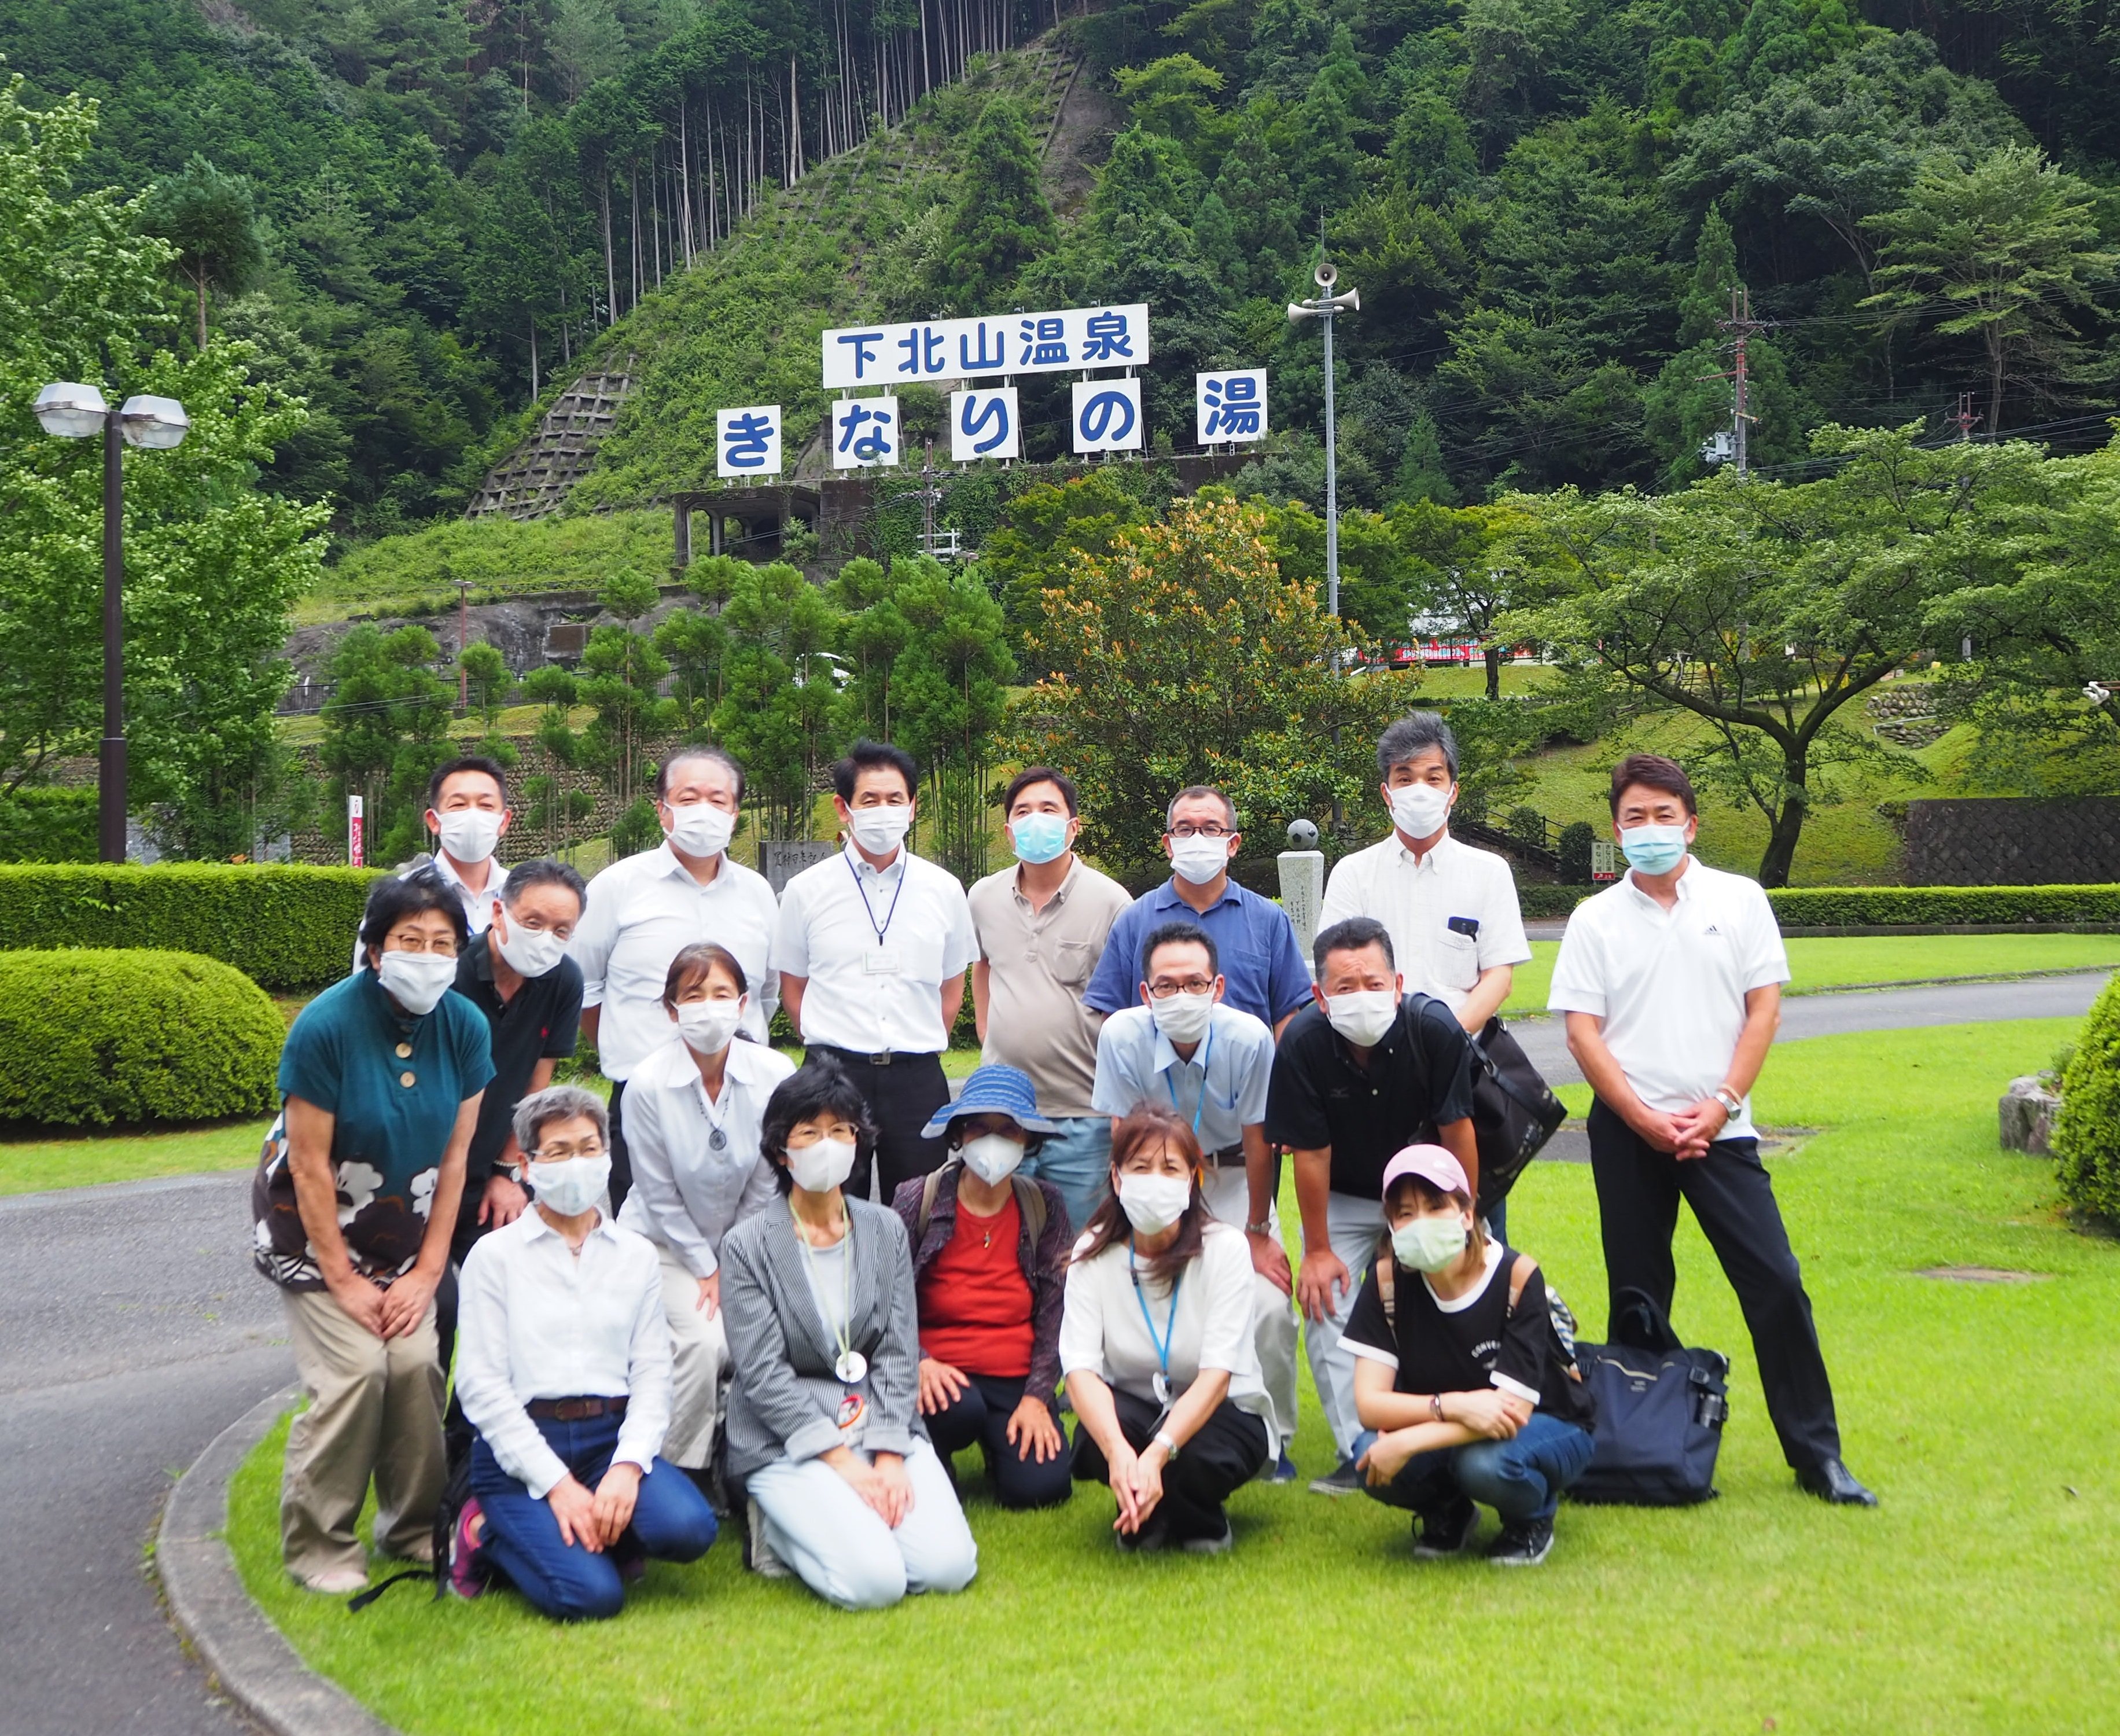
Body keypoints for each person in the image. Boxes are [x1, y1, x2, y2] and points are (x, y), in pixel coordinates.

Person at [1549, 753, 1875, 1506]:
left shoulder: (1740, 898)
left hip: (1720, 1128)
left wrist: (1722, 1103)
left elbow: (1764, 1009)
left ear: (1691, 824)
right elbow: (1583, 1034)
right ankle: (1637, 1447)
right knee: (1638, 1293)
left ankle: (1817, 1455)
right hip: (1629, 1132)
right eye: (1636, 817)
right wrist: (1642, 1117)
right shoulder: (1593, 919)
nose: (1651, 829)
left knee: (1777, 1283)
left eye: (1665, 815)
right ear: (1617, 830)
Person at [252, 869, 493, 1592]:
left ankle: (414, 1530)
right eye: (408, 941)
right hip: (312, 1231)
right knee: (357, 1371)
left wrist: (426, 1273)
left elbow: (455, 1161)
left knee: (415, 1365)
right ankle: (319, 1545)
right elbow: (310, 1165)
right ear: (377, 950)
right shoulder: (326, 1025)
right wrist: (344, 1279)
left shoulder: (465, 1026)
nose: (426, 955)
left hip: (406, 1237)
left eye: (442, 943)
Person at [450, 1086, 720, 1619]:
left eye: (589, 1147)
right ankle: (483, 1531)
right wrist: (556, 1486)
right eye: (558, 1152)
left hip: (606, 1439)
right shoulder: (495, 1256)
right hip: (522, 1447)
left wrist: (626, 1467)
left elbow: (651, 1374)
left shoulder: (635, 1255)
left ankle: (606, 1530)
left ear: (608, 1155)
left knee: (688, 1529)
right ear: (527, 1165)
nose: (578, 1162)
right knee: (593, 1598)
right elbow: (480, 1387)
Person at [719, 1060, 979, 1609]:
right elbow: (762, 1375)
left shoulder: (882, 1227)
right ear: (780, 1149)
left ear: (859, 1141)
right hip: (787, 1437)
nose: (827, 1144)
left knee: (948, 1568)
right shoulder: (747, 1246)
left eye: (841, 1131)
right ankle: (776, 1535)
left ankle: (854, 1520)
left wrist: (885, 1455)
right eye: (809, 1133)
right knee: (874, 1584)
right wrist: (843, 1464)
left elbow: (898, 1350)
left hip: (878, 1419)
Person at [1263, 915, 1478, 1496]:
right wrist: (1318, 1252)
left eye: (1373, 983)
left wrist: (1466, 1216)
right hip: (1340, 1190)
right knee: (1326, 1299)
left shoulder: (1433, 1030)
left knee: (1448, 1295)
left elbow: (1456, 1128)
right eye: (1344, 987)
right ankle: (1358, 1447)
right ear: (1319, 995)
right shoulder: (1303, 1043)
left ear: (1398, 983)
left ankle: (1458, 1426)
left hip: (1427, 1189)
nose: (1361, 996)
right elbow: (1309, 1154)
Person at [1090, 921, 1300, 1481]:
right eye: (1165, 985)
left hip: (1229, 1178)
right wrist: (1130, 1204)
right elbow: (1120, 1130)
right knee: (1160, 1295)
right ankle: (1161, 1414)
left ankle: (1272, 1436)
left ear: (1219, 987)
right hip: (1155, 1178)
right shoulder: (1121, 1036)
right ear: (1144, 992)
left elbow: (1260, 1141)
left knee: (1270, 1306)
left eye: (1194, 982)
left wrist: (1257, 1229)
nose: (1180, 995)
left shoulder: (1249, 1037)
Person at [1345, 1145, 1596, 1568]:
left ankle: (1531, 1518)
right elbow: (1370, 1405)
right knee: (1367, 1451)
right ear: (1391, 1224)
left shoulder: (1517, 1277)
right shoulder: (1387, 1280)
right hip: (1456, 1420)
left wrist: (1408, 1440)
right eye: (1405, 1213)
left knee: (1484, 1463)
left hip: (1548, 1422)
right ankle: (1449, 1510)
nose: (1420, 1222)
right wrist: (1454, 1405)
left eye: (1435, 1206)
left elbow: (1512, 1410)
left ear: (1467, 1213)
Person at [614, 943, 796, 1481]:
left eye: (721, 994)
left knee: (774, 1334)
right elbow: (656, 1191)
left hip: (749, 1241)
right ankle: (681, 1468)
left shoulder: (773, 1072)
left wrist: (732, 1262)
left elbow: (770, 1177)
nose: (709, 1007)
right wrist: (707, 1268)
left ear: (743, 1004)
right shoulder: (646, 1085)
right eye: (693, 996)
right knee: (702, 1342)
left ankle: (751, 1459)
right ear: (671, 1011)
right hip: (666, 1245)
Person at [571, 746, 779, 1212]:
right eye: (688, 798)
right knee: (646, 1237)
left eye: (717, 799)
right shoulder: (616, 887)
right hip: (647, 1100)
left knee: (749, 1231)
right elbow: (584, 988)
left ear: (735, 813)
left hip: (744, 1099)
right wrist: (631, 1051)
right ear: (662, 810)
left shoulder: (758, 894)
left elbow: (767, 993)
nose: (703, 810)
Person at [1062, 1106, 1276, 1553]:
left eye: (1170, 1167)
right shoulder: (1091, 1254)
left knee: (1197, 1457)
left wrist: (1156, 1452)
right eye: (1140, 1168)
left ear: (1193, 1180)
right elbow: (1080, 1370)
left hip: (1223, 1410)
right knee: (1094, 1440)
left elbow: (1218, 1374)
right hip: (1137, 1407)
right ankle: (1148, 1512)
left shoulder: (1225, 1249)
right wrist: (1120, 1453)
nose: (1155, 1179)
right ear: (1117, 1179)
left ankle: (1198, 1519)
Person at [774, 740, 977, 1201]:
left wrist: (916, 1039)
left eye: (895, 799)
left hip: (916, 1079)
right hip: (833, 1075)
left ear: (912, 808)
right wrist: (827, 1045)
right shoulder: (806, 892)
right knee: (831, 1205)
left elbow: (951, 987)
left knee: (920, 1210)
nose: (883, 810)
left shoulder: (944, 890)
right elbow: (794, 987)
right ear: (843, 808)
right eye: (870, 800)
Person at [890, 1064, 1074, 1510]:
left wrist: (1037, 1397)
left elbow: (1056, 1308)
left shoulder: (1043, 1204)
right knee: (958, 1411)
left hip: (1013, 1372)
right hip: (937, 1372)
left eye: (1008, 1130)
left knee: (1041, 1488)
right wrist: (917, 1360)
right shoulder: (919, 1198)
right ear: (958, 1137)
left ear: (1028, 1140)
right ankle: (935, 1457)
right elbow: (885, 1296)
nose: (992, 1140)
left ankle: (1001, 1448)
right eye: (979, 1128)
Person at [435, 858, 587, 1386]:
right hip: (422, 1174)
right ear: (498, 911)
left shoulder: (563, 981)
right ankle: (424, 1453)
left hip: (487, 1173)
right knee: (437, 1313)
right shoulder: (449, 973)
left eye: (562, 930)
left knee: (515, 1307)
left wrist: (507, 1168)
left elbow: (535, 1087)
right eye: (534, 922)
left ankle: (474, 1442)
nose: (546, 938)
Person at [967, 765, 1132, 1238]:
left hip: (1083, 1115)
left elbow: (1129, 1007)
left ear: (1073, 825)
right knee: (1003, 1249)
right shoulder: (982, 897)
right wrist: (986, 1032)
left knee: (1075, 1252)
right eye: (1023, 811)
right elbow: (983, 966)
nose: (1034, 819)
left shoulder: (1111, 902)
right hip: (1003, 1113)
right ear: (1007, 829)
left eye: (1048, 809)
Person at [1320, 713, 1532, 1035]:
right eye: (1405, 779)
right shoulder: (1352, 874)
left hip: (1461, 1055)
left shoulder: (1490, 873)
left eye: (1433, 779)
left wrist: (1449, 1045)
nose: (1420, 791)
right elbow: (1336, 970)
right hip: (1374, 1053)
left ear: (1453, 792)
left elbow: (1499, 977)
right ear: (1387, 793)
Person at [1082, 786, 1312, 1036]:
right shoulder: (1133, 921)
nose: (1197, 839)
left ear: (1232, 844)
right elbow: (1112, 1019)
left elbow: (1288, 1015)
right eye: (1185, 829)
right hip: (1152, 1074)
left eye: (1211, 829)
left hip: (1245, 1074)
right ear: (1169, 844)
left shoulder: (1268, 920)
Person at [346, 756, 516, 972]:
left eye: (486, 805)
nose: (473, 815)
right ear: (434, 821)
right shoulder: (395, 898)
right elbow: (365, 982)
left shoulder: (521, 897)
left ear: (504, 822)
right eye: (458, 805)